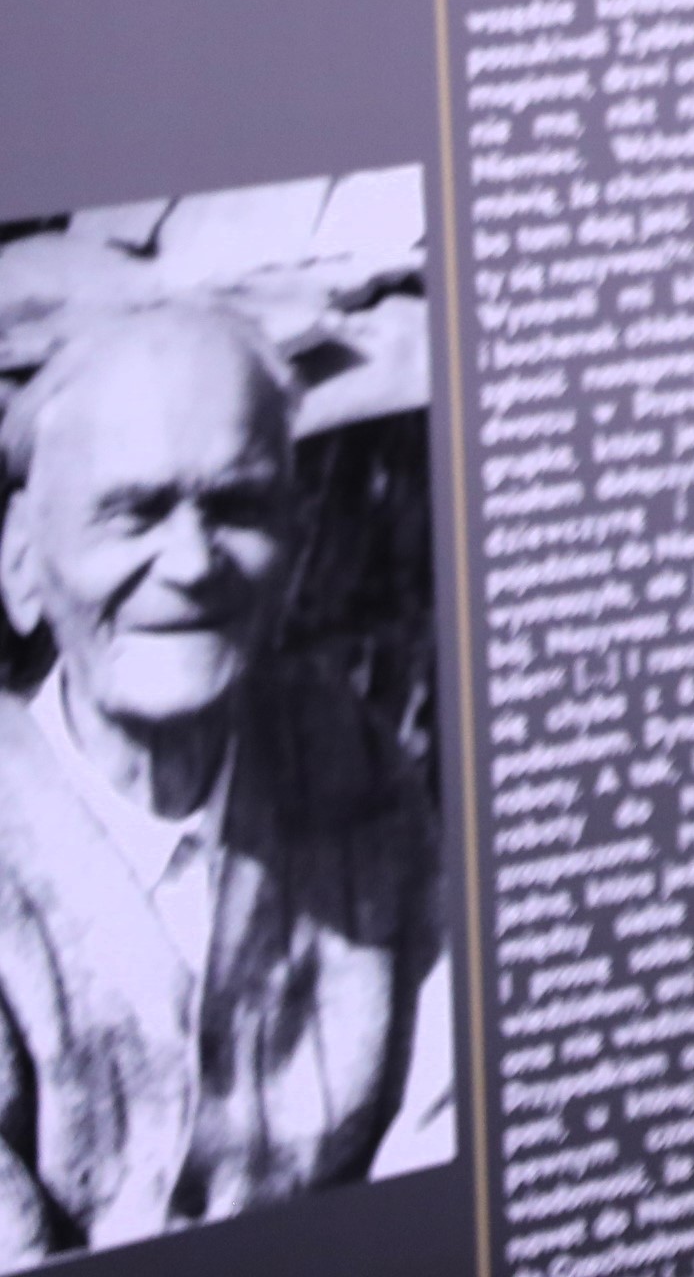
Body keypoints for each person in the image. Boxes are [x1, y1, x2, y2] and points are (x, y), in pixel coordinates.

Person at [0, 306, 451, 1256]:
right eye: (133, 512)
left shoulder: (355, 766)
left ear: (296, 544)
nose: (193, 563)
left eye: (238, 507)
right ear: (22, 565)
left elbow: (442, 1123)